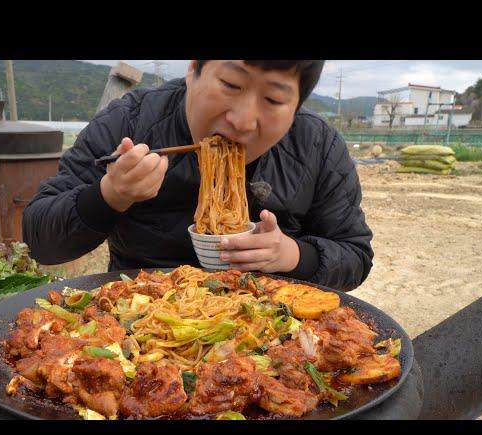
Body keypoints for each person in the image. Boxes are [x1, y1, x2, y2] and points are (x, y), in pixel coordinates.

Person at [23, 60, 373, 291]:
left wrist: (293, 256)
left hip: (271, 326)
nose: (243, 120)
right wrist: (109, 195)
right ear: (193, 70)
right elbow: (40, 240)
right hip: (137, 317)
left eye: (273, 99)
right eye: (231, 84)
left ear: (296, 106)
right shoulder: (129, 121)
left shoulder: (316, 145)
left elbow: (355, 255)